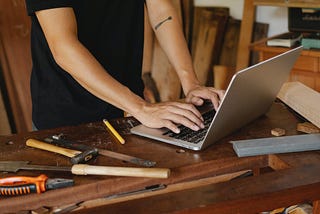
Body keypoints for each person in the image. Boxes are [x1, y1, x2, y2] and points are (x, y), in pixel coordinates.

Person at [25, 0, 224, 133]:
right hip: (66, 118)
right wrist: (141, 108)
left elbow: (161, 10)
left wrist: (191, 84)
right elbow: (64, 46)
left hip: (126, 111)